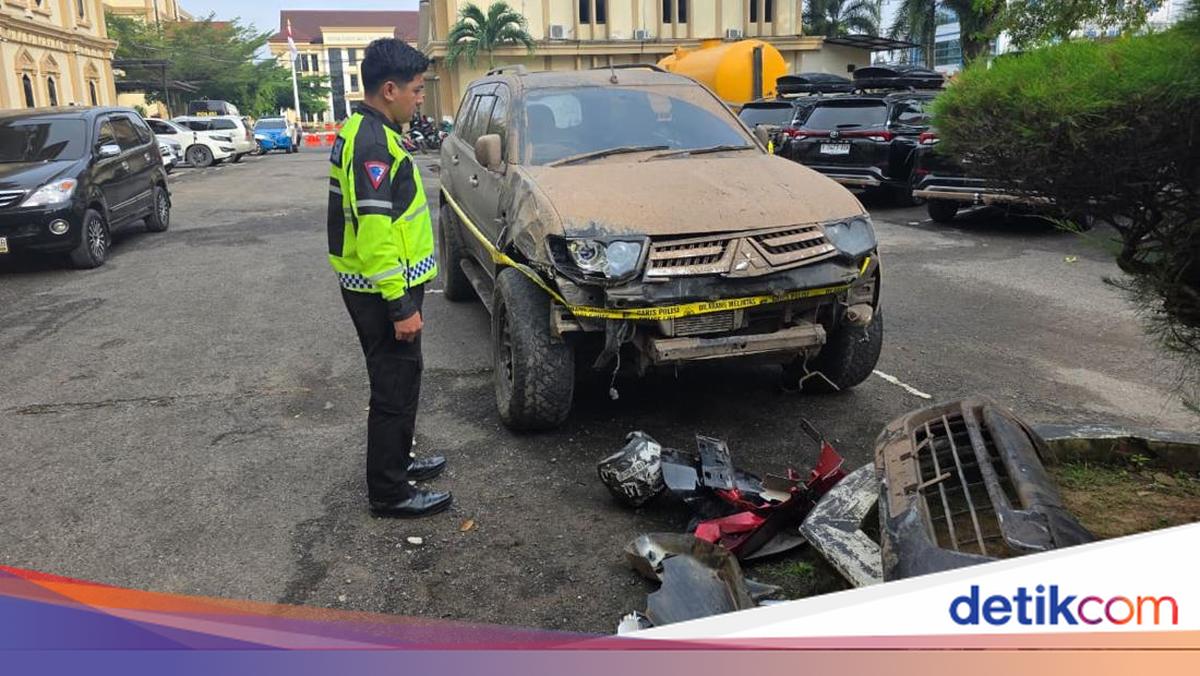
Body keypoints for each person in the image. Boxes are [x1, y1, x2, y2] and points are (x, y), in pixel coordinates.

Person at [327, 38, 451, 518]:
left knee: (403, 378)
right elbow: (375, 231)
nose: (421, 98)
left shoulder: (366, 129)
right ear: (390, 89)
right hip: (382, 290)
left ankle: (399, 464)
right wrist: (400, 306)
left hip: (382, 285)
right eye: (417, 90)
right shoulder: (373, 144)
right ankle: (390, 492)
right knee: (394, 386)